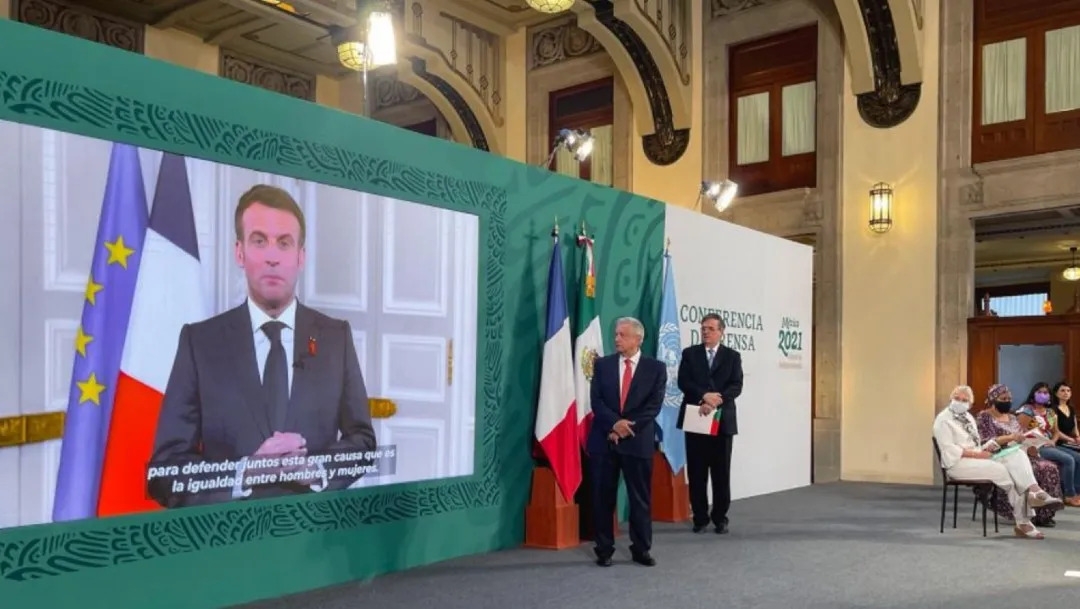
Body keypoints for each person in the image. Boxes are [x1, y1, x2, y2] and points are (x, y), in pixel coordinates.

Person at [147, 184, 377, 508]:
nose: (272, 256)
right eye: (259, 241)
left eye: (284, 243)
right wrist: (244, 474)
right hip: (228, 546)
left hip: (316, 542)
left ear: (301, 256)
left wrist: (316, 470)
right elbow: (165, 472)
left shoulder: (335, 338)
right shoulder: (199, 344)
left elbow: (363, 443)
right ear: (239, 252)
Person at [586, 317, 666, 567]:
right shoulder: (602, 366)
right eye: (616, 334)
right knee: (602, 498)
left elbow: (653, 406)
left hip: (637, 442)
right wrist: (614, 425)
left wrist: (626, 428)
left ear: (637, 339)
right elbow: (596, 401)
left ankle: (641, 549)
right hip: (605, 440)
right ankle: (604, 549)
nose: (616, 339)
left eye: (622, 335)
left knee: (639, 499)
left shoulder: (656, 369)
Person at [933, 385, 1061, 539]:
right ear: (951, 399)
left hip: (979, 455)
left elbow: (978, 443)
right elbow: (949, 451)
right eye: (957, 399)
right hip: (958, 463)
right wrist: (978, 454)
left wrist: (989, 447)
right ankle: (1024, 521)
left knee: (1018, 455)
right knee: (1008, 472)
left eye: (964, 400)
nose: (960, 402)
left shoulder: (967, 417)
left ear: (970, 403)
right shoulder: (943, 420)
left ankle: (1035, 491)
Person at [676, 313, 743, 534]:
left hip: (722, 421)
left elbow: (736, 385)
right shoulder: (690, 354)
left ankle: (720, 517)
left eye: (711, 328)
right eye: (703, 328)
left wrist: (716, 400)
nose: (706, 332)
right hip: (697, 417)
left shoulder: (732, 356)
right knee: (697, 472)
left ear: (721, 332)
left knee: (721, 472)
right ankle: (700, 517)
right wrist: (704, 396)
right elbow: (684, 381)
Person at [974, 384, 1062, 527]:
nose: (1007, 401)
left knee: (1048, 467)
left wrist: (1032, 444)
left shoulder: (1012, 418)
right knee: (1027, 464)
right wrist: (1010, 438)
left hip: (1019, 452)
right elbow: (985, 441)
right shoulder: (984, 416)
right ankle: (1034, 496)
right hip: (997, 455)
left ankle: (1043, 514)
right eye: (1003, 398)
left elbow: (1022, 436)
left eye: (1009, 398)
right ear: (993, 399)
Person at [1016, 381, 1080, 507]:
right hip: (1034, 445)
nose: (1043, 395)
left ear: (1049, 396)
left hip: (1049, 444)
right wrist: (1040, 437)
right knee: (1068, 460)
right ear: (1033, 394)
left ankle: (1077, 492)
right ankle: (1069, 495)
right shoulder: (1027, 410)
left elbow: (1055, 431)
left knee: (1078, 458)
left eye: (1045, 393)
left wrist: (1053, 441)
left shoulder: (1050, 412)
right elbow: (1022, 430)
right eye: (1039, 392)